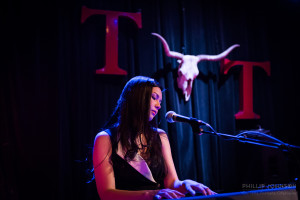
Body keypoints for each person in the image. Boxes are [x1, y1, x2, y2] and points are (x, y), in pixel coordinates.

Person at [93, 76, 216, 200]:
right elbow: (106, 193)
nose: (159, 106)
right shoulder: (106, 138)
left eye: (160, 102)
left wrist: (185, 184)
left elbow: (172, 182)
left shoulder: (160, 136)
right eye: (154, 98)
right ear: (136, 98)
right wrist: (150, 194)